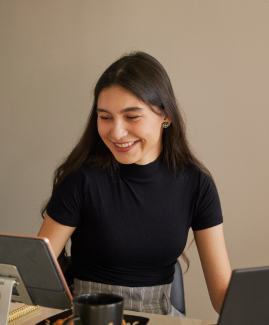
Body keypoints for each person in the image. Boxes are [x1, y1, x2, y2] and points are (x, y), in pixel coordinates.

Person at [38, 51, 231, 317]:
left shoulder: (197, 185)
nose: (116, 133)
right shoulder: (81, 179)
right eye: (105, 117)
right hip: (90, 317)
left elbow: (223, 293)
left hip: (161, 318)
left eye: (131, 117)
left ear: (166, 116)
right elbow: (36, 272)